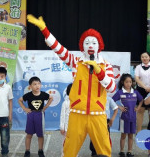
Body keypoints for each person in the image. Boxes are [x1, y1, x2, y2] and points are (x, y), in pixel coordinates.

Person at [27, 14, 116, 157]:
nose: (90, 45)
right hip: (77, 114)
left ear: (99, 45)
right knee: (69, 150)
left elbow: (112, 88)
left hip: (98, 115)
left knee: (104, 150)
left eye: (94, 42)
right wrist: (44, 30)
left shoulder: (106, 65)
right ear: (82, 46)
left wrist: (99, 71)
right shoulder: (75, 61)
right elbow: (58, 48)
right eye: (87, 43)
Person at [18, 76, 53, 157]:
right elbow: (20, 100)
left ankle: (40, 150)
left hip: (40, 115)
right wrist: (25, 108)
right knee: (29, 134)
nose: (37, 86)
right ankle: (27, 150)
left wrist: (46, 106)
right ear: (30, 87)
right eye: (34, 84)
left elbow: (51, 98)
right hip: (31, 115)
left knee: (40, 135)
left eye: (39, 84)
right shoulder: (28, 95)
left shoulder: (43, 94)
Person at [112, 74, 143, 157]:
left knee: (130, 135)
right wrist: (119, 107)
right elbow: (111, 101)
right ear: (122, 82)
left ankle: (129, 151)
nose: (129, 84)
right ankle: (121, 151)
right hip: (124, 118)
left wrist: (138, 108)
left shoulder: (135, 92)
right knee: (123, 135)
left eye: (130, 82)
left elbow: (141, 100)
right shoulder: (120, 92)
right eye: (126, 82)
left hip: (133, 118)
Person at [134, 52, 150, 132]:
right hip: (141, 90)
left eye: (146, 57)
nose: (144, 58)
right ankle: (138, 130)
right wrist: (145, 87)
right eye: (142, 57)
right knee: (140, 110)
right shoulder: (138, 67)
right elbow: (137, 79)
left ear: (149, 57)